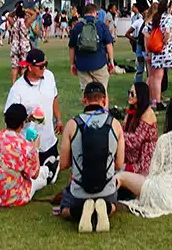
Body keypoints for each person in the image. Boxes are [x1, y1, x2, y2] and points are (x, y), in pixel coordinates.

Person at [59, 81, 124, 233]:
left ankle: (80, 211)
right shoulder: (115, 125)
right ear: (104, 100)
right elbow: (120, 164)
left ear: (84, 99)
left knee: (64, 209)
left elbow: (63, 164)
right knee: (114, 205)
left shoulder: (72, 124)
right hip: (106, 189)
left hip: (79, 190)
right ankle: (106, 207)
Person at [5, 48, 63, 183]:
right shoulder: (17, 89)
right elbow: (9, 117)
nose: (44, 69)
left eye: (46, 65)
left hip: (49, 141)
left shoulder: (49, 76)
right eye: (41, 66)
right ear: (30, 67)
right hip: (28, 144)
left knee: (48, 178)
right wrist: (27, 118)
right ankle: (46, 169)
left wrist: (58, 118)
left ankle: (50, 165)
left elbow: (54, 97)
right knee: (33, 179)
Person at [0, 102, 48, 206]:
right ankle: (48, 172)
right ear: (23, 123)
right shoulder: (25, 146)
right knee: (41, 177)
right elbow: (34, 174)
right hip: (15, 197)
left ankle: (47, 171)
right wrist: (36, 149)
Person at [68, 3, 116, 92]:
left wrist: (72, 63)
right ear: (94, 12)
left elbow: (72, 47)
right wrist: (111, 61)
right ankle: (102, 106)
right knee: (102, 92)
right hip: (99, 63)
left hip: (82, 65)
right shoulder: (101, 25)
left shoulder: (77, 27)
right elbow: (109, 44)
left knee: (87, 92)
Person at [145, 0, 172, 107]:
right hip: (167, 51)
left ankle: (156, 102)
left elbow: (145, 31)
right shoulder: (168, 18)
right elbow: (167, 32)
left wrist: (154, 40)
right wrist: (165, 40)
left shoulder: (156, 17)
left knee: (157, 78)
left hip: (157, 52)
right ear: (169, 8)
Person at [123, 82, 158, 175]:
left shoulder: (148, 114)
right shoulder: (132, 111)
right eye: (129, 92)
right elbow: (123, 129)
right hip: (132, 157)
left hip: (144, 162)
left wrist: (119, 135)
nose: (129, 96)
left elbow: (136, 140)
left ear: (140, 95)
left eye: (132, 93)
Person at [8, 2, 31, 84]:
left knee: (15, 68)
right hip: (24, 47)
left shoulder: (14, 23)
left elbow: (9, 16)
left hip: (15, 47)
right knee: (23, 67)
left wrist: (16, 10)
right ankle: (23, 85)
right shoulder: (26, 22)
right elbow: (35, 14)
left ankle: (14, 86)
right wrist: (24, 9)